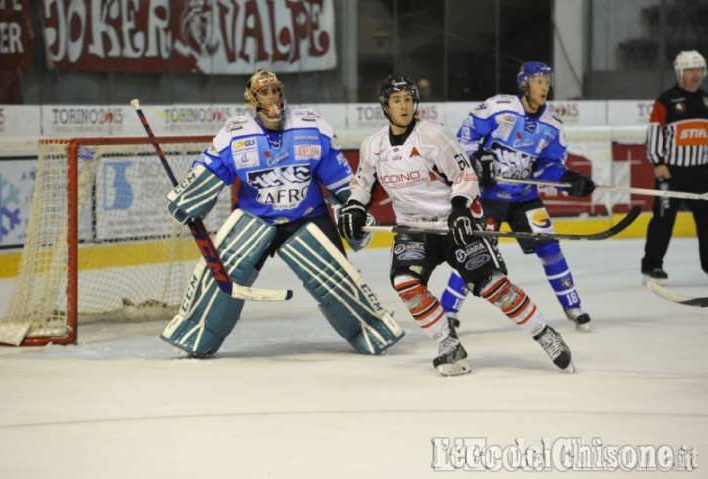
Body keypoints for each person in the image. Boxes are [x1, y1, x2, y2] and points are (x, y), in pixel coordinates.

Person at [338, 75, 574, 376]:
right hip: (414, 228)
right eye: (396, 100)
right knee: (405, 283)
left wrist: (461, 209)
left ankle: (544, 333)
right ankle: (448, 343)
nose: (404, 106)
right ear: (385, 106)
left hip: (455, 224)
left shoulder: (434, 136)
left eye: (408, 99)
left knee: (492, 287)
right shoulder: (373, 145)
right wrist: (355, 206)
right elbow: (363, 183)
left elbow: (466, 177)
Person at [162, 69, 404, 358]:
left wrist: (353, 208)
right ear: (252, 98)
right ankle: (197, 335)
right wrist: (189, 197)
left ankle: (370, 330)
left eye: (275, 91)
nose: (272, 97)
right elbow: (210, 170)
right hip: (255, 217)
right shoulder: (234, 134)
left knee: (336, 277)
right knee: (221, 275)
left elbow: (340, 178)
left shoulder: (312, 126)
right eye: (264, 92)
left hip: (307, 216)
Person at [439, 61, 595, 333]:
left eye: (547, 81)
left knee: (550, 248)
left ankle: (573, 306)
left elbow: (548, 166)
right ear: (524, 84)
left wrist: (568, 179)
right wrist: (476, 160)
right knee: (474, 251)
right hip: (489, 197)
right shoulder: (500, 108)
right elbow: (466, 136)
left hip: (524, 198)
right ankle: (448, 312)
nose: (544, 86)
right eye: (538, 80)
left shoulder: (553, 126)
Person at [641, 50, 708, 285]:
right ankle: (652, 266)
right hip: (671, 173)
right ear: (680, 72)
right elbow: (654, 132)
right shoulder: (666, 100)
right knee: (663, 219)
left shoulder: (705, 99)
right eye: (690, 69)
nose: (695, 74)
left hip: (702, 173)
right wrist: (658, 162)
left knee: (707, 220)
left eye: (699, 69)